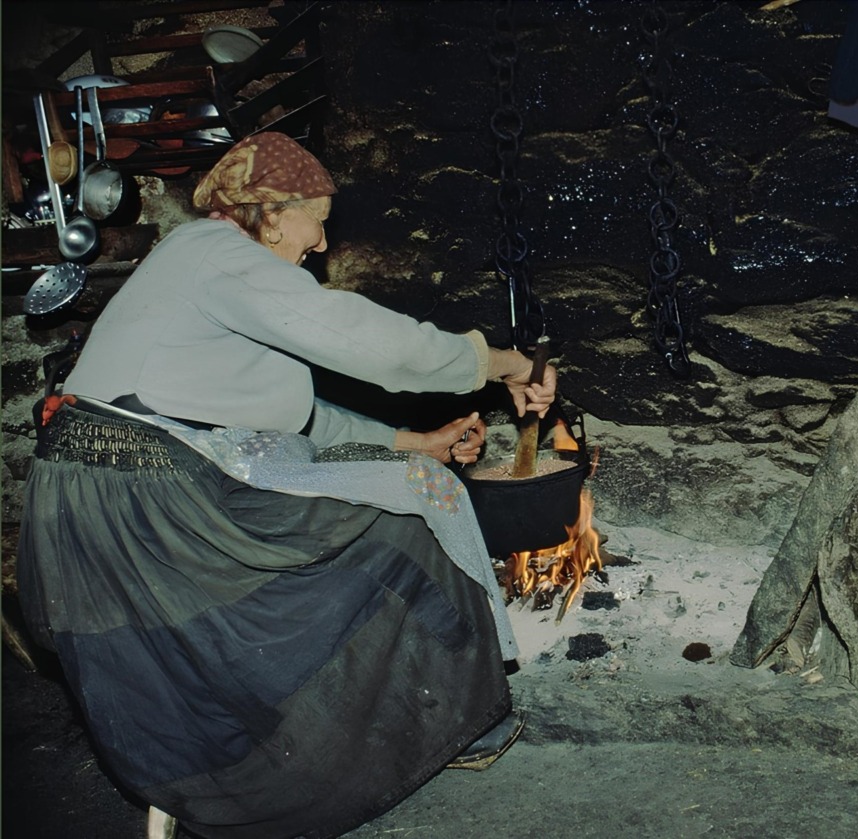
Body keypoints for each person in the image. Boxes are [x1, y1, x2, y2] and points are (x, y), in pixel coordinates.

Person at [18, 131, 555, 838]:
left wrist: (413, 440)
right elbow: (373, 341)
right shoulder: (219, 256)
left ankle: (277, 749)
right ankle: (438, 723)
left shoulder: (210, 266)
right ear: (271, 212)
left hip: (116, 487)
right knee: (405, 512)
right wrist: (503, 362)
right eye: (318, 219)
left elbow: (284, 416)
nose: (322, 241)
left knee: (398, 484)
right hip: (140, 496)